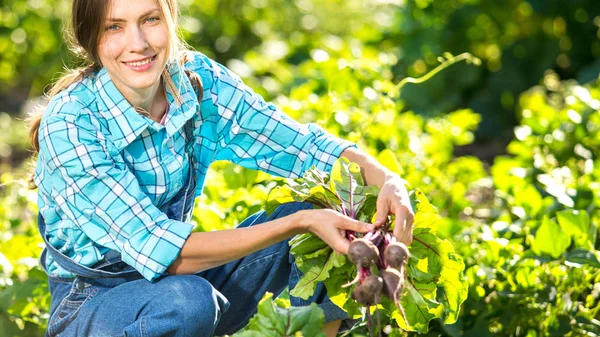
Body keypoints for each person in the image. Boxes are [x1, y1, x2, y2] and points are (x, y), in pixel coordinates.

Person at [27, 0, 414, 336]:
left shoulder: (196, 82)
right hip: (96, 302)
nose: (138, 44)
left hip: (180, 277)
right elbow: (168, 253)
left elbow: (302, 147)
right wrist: (294, 224)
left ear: (171, 19)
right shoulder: (72, 125)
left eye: (150, 19)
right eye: (115, 27)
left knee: (333, 229)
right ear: (90, 38)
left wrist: (388, 180)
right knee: (186, 303)